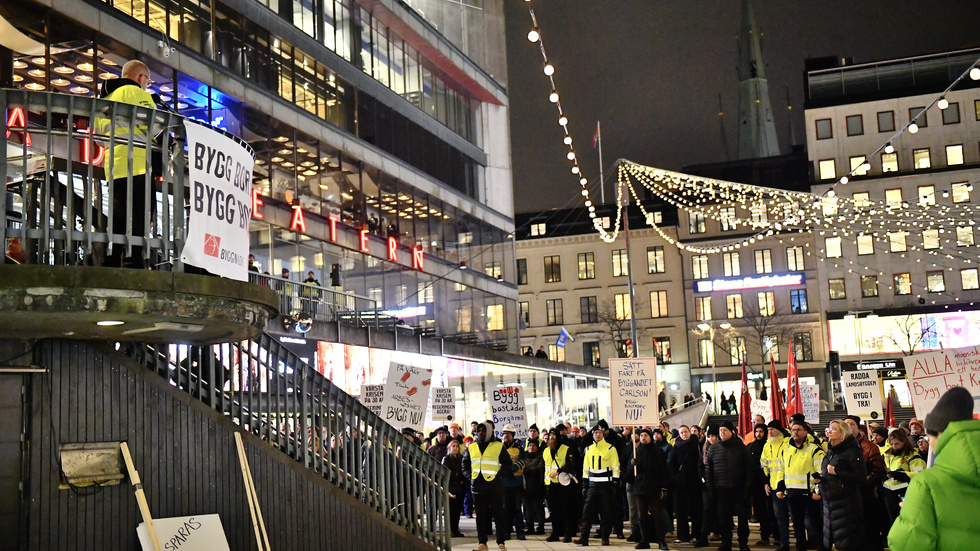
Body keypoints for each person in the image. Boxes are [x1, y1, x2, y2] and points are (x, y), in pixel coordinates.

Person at [888, 386, 980, 551]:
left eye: (929, 438)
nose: (929, 443)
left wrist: (912, 511)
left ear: (938, 434)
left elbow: (906, 544)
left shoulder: (926, 485)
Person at [96, 59, 157, 269]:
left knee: (118, 214)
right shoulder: (138, 94)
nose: (147, 85)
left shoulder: (105, 98)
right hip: (138, 161)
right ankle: (135, 258)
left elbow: (97, 135)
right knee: (140, 213)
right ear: (141, 78)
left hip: (113, 165)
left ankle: (113, 257)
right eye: (147, 81)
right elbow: (155, 127)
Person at [774, 419, 825, 551]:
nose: (795, 432)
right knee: (797, 525)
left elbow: (820, 473)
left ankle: (821, 546)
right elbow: (781, 470)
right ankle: (800, 547)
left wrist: (818, 492)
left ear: (806, 432)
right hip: (791, 493)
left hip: (809, 493)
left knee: (815, 523)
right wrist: (780, 488)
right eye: (793, 430)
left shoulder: (814, 449)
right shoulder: (786, 449)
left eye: (798, 430)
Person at [462, 422, 514, 551]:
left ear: (489, 432)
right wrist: (471, 477)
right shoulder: (472, 447)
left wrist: (499, 476)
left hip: (494, 486)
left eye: (483, 431)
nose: (480, 433)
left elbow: (507, 464)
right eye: (478, 431)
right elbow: (465, 464)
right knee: (480, 516)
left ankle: (501, 542)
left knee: (498, 515)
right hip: (478, 487)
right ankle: (482, 543)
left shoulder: (498, 446)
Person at [840, 415, 886, 551]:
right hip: (847, 498)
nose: (848, 427)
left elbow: (878, 471)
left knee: (870, 533)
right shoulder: (840, 447)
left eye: (851, 424)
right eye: (845, 424)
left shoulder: (869, 447)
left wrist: (861, 484)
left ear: (858, 427)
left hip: (865, 497)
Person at [819, 420, 866, 551]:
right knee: (833, 543)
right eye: (829, 428)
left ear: (843, 433)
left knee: (847, 543)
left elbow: (860, 477)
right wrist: (821, 481)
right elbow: (828, 473)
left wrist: (837, 472)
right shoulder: (830, 451)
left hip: (846, 505)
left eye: (834, 429)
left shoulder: (852, 451)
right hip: (829, 505)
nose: (829, 431)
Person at [704, 420, 751, 551]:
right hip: (721, 490)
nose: (722, 433)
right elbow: (709, 470)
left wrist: (747, 487)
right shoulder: (713, 448)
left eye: (725, 430)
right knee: (723, 518)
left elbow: (749, 469)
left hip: (739, 489)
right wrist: (711, 489)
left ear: (732, 432)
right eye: (720, 431)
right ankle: (726, 542)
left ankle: (743, 543)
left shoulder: (741, 447)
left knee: (742, 519)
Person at [577, 424, 621, 546]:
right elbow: (585, 468)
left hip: (605, 486)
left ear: (603, 434)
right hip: (592, 485)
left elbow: (615, 467)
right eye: (595, 433)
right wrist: (585, 484)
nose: (597, 434)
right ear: (593, 435)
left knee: (606, 513)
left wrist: (615, 483)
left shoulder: (610, 449)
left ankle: (605, 537)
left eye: (600, 433)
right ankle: (584, 537)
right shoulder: (589, 449)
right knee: (587, 512)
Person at [631, 428, 670, 550]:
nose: (643, 438)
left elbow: (664, 470)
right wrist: (632, 464)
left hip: (654, 488)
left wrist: (664, 487)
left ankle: (661, 541)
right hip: (640, 489)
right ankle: (644, 540)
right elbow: (630, 473)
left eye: (645, 435)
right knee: (642, 516)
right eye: (641, 435)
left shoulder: (658, 451)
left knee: (657, 516)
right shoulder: (637, 451)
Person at [880, 429, 925, 529]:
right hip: (889, 494)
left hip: (905, 494)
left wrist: (901, 475)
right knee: (893, 523)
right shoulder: (891, 455)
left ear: (904, 442)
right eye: (892, 444)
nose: (894, 446)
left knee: (906, 523)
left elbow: (920, 474)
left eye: (897, 444)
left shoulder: (914, 456)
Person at [543, 428, 579, 543]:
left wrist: (559, 471)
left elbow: (571, 464)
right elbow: (545, 467)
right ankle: (555, 533)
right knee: (554, 510)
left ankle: (567, 533)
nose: (551, 438)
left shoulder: (565, 449)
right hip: (550, 484)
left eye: (554, 436)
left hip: (563, 483)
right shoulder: (546, 451)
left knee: (566, 509)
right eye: (550, 436)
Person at [671, 424, 703, 545]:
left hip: (695, 481)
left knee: (696, 509)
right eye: (681, 433)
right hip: (680, 483)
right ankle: (683, 535)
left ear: (690, 432)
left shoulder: (696, 445)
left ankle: (696, 534)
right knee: (680, 510)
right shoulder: (676, 447)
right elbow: (672, 464)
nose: (684, 434)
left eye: (685, 432)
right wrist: (675, 478)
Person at [761, 420, 790, 551]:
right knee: (780, 517)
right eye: (768, 430)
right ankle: (784, 543)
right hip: (773, 487)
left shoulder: (788, 443)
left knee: (795, 517)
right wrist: (765, 482)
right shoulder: (768, 445)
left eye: (772, 429)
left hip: (790, 485)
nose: (770, 432)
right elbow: (763, 465)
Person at [745, 423, 773, 547]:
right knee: (760, 512)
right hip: (754, 484)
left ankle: (775, 535)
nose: (758, 434)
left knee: (770, 511)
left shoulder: (769, 446)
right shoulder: (750, 446)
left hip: (767, 483)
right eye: (756, 432)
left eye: (761, 432)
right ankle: (764, 537)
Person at [500, 424, 527, 541]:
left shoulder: (519, 448)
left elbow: (523, 460)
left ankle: (520, 532)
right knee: (506, 509)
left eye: (508, 433)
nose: (506, 435)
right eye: (504, 433)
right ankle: (507, 531)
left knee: (517, 509)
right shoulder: (500, 448)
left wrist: (513, 468)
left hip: (516, 483)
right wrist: (506, 470)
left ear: (512, 435)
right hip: (504, 483)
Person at [442, 439, 467, 537]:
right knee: (451, 511)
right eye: (453, 446)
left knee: (457, 510)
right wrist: (458, 475)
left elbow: (464, 471)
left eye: (457, 446)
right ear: (449, 448)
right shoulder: (447, 459)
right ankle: (451, 530)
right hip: (451, 488)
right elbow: (447, 473)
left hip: (460, 488)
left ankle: (456, 529)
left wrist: (460, 476)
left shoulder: (461, 458)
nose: (455, 448)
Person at [522, 439, 546, 535]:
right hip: (526, 486)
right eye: (530, 446)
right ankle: (530, 526)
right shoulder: (525, 457)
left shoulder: (540, 457)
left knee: (538, 507)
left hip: (537, 486)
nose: (531, 448)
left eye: (533, 446)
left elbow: (540, 468)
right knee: (528, 508)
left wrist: (529, 470)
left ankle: (541, 526)